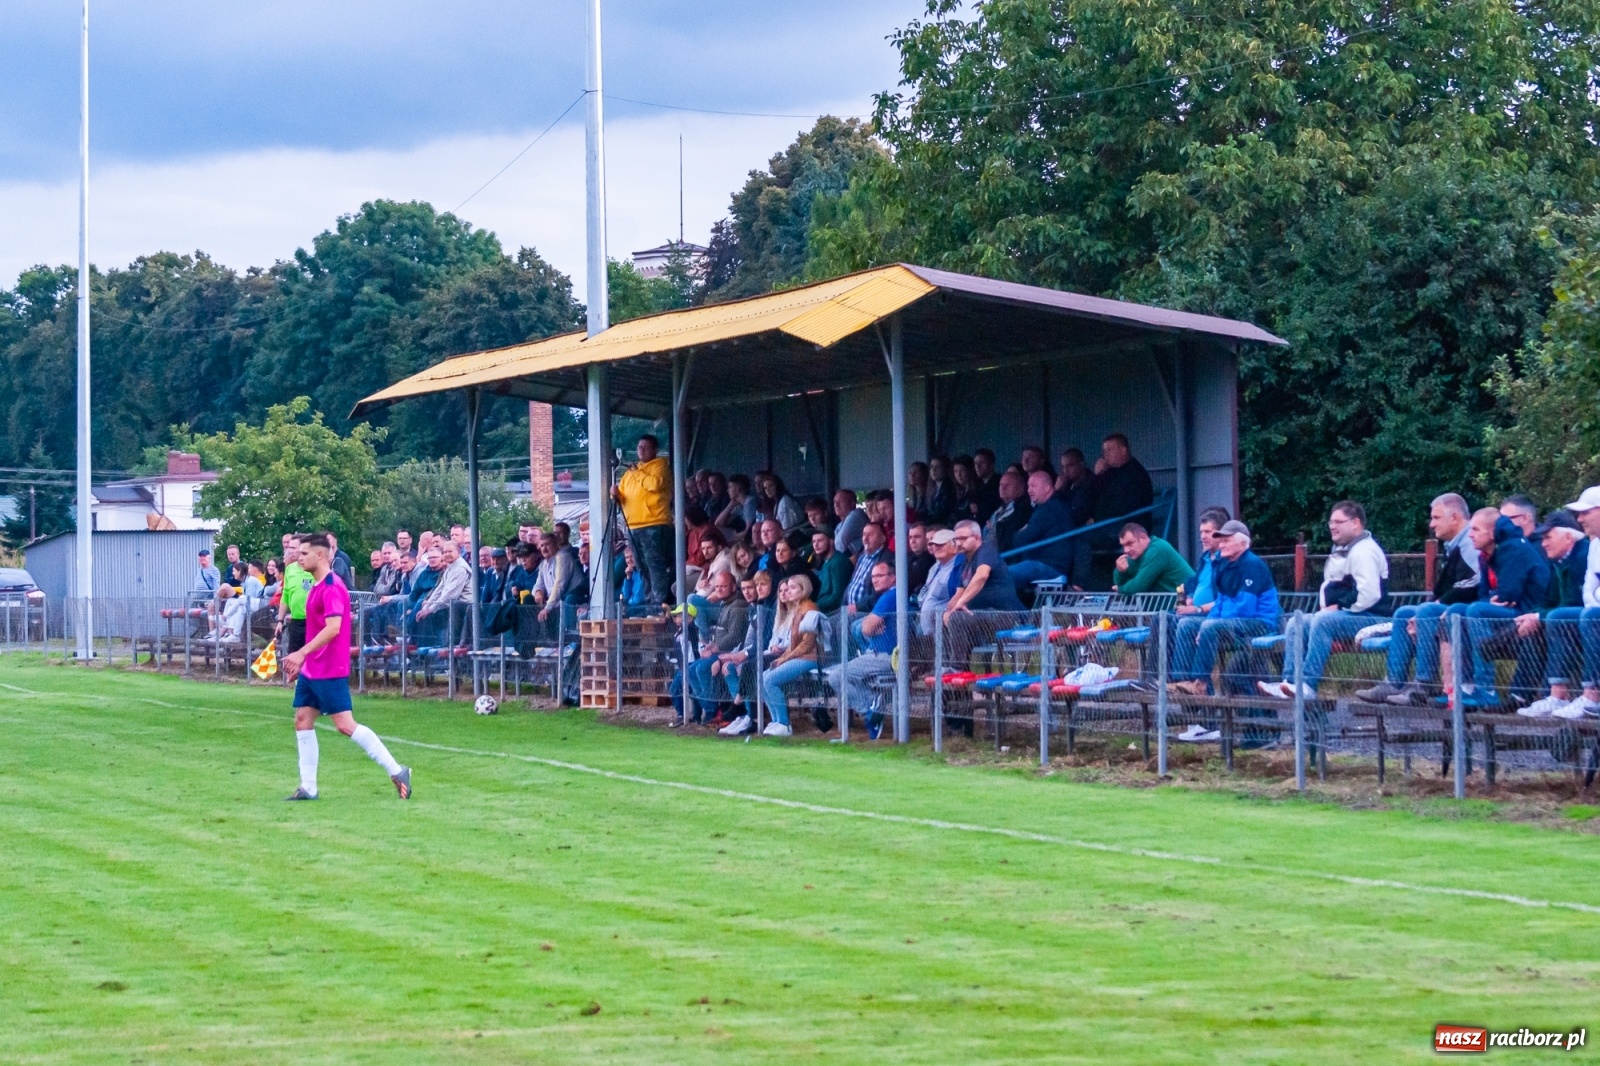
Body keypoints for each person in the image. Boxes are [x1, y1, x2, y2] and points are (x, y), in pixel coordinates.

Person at [283, 532, 411, 802]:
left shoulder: (331, 586)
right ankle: (309, 787)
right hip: (313, 668)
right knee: (303, 720)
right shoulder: (317, 585)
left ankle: (398, 770)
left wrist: (301, 653)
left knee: (344, 725)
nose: (298, 557)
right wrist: (303, 659)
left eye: (304, 553)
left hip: (329, 669)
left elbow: (333, 629)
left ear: (320, 555)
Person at [1260, 501, 1392, 699]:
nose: (1332, 526)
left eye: (1339, 521)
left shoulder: (1364, 551)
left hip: (1372, 618)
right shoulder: (1344, 550)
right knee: (1297, 622)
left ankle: (1308, 685)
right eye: (1331, 521)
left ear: (1356, 523)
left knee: (1324, 621)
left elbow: (1369, 594)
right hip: (1350, 616)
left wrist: (1338, 607)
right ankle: (1289, 683)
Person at [1357, 493, 1479, 704]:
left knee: (1426, 612)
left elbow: (1475, 581)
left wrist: (1437, 605)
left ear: (1455, 518)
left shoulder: (1469, 541)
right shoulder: (1454, 544)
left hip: (1470, 609)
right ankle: (1394, 682)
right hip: (1453, 607)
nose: (1432, 524)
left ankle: (1425, 685)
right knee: (1404, 614)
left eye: (1436, 518)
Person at [1453, 507, 1550, 708]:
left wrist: (1491, 600)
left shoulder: (1513, 549)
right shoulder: (1485, 555)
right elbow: (1485, 594)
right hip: (1505, 612)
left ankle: (1486, 689)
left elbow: (1508, 594)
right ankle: (1465, 687)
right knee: (1457, 611)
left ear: (1492, 532)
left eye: (1476, 530)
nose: (1470, 535)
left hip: (1526, 615)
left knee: (1476, 611)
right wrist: (1491, 599)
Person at [1169, 522, 1280, 695]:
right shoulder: (1226, 564)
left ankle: (1201, 682)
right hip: (1235, 623)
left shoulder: (1252, 564)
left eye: (1227, 541)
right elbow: (1221, 601)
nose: (1221, 545)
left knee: (1209, 626)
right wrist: (1208, 624)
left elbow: (1246, 609)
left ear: (1243, 543)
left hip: (1260, 624)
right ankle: (1181, 680)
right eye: (1221, 541)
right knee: (1186, 624)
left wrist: (1211, 626)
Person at [1531, 486, 1600, 719]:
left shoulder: (1582, 551)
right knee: (1559, 617)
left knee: (1587, 616)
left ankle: (1593, 697)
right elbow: (1589, 589)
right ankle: (1557, 695)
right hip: (1594, 610)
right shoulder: (1594, 546)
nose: (1579, 519)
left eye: (1585, 513)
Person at [1517, 512, 1589, 715]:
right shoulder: (1559, 561)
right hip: (1572, 624)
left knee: (1555, 619)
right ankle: (1520, 695)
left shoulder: (1582, 557)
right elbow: (1548, 601)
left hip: (1586, 624)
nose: (1543, 544)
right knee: (1537, 625)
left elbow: (1574, 602)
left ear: (1568, 537)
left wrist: (1539, 617)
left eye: (1549, 537)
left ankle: (1558, 696)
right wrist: (1534, 616)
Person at [828, 560, 897, 739]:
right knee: (841, 675)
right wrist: (870, 622)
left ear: (893, 577)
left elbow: (866, 628)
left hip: (885, 656)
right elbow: (867, 626)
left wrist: (870, 624)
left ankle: (869, 711)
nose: (875, 580)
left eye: (880, 576)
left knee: (836, 676)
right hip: (875, 653)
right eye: (873, 576)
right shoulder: (884, 597)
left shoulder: (892, 596)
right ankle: (872, 708)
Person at [758, 574, 827, 737]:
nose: (788, 591)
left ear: (804, 590)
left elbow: (807, 644)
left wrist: (785, 658)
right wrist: (783, 657)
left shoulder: (810, 609)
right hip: (799, 656)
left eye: (793, 588)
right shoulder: (797, 610)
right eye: (787, 588)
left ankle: (784, 723)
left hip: (811, 658)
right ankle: (776, 721)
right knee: (762, 677)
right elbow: (793, 644)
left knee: (770, 680)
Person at [615, 434, 673, 609]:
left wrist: (637, 473)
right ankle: (649, 601)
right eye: (639, 447)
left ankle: (659, 603)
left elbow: (654, 484)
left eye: (645, 447)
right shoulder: (630, 473)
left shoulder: (660, 466)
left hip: (653, 522)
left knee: (655, 565)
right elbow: (623, 496)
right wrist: (615, 495)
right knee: (642, 566)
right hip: (633, 525)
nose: (641, 450)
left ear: (654, 450)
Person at [1007, 469, 1079, 596]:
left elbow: (1020, 539)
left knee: (1000, 576)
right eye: (1028, 486)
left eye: (1033, 486)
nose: (1029, 490)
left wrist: (1023, 531)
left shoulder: (1050, 508)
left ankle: (1017, 615)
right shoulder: (1045, 507)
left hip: (1049, 567)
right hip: (1041, 565)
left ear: (1047, 488)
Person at [945, 520, 1024, 616]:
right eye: (956, 539)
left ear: (977, 538)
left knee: (957, 620)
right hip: (980, 613)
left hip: (1002, 614)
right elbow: (958, 594)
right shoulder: (965, 565)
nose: (958, 543)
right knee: (948, 618)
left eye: (963, 538)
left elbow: (982, 575)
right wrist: (948, 612)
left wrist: (961, 602)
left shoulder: (986, 552)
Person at [1112, 522, 1194, 596]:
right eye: (1123, 545)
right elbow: (1121, 585)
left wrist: (1121, 589)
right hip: (1169, 609)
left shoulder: (1157, 548)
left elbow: (1139, 585)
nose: (1126, 550)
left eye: (1130, 543)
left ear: (1143, 537)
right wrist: (1120, 571)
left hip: (1188, 605)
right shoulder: (1136, 555)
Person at [918, 528, 965, 632]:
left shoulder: (961, 563)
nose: (935, 547)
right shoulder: (935, 567)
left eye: (941, 544)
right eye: (934, 544)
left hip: (946, 627)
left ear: (955, 546)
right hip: (930, 629)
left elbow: (960, 594)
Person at [845, 522, 891, 616]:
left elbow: (881, 592)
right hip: (850, 612)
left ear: (882, 538)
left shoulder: (886, 558)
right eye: (864, 535)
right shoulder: (861, 557)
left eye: (870, 535)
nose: (865, 539)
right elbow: (852, 585)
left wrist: (858, 606)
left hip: (868, 613)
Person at [277, 537, 314, 655]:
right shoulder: (289, 569)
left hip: (313, 622)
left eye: (293, 548)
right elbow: (285, 595)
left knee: (311, 659)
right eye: (288, 548)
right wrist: (280, 621)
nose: (289, 551)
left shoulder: (314, 569)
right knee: (292, 661)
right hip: (295, 622)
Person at [986, 469, 1033, 552]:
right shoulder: (1000, 508)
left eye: (1007, 485)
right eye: (1001, 484)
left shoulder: (1023, 510)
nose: (1003, 488)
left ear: (1020, 488)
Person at [810, 531, 851, 614]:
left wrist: (814, 606)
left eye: (820, 540)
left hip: (835, 613)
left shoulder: (838, 562)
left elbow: (837, 597)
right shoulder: (827, 562)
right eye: (814, 541)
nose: (816, 545)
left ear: (831, 542)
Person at [970, 448, 1001, 525]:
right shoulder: (977, 484)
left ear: (991, 464)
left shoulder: (999, 483)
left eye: (982, 463)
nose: (978, 466)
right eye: (975, 463)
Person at [905, 522, 935, 593]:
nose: (912, 541)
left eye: (917, 537)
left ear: (926, 538)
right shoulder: (906, 558)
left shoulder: (932, 559)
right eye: (910, 537)